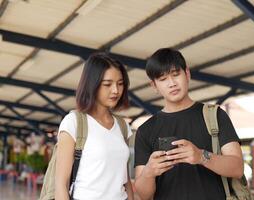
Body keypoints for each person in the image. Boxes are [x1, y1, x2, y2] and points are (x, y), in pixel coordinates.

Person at [134, 48, 244, 200]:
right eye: (163, 79)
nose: (171, 83)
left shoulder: (215, 116)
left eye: (175, 74)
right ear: (154, 86)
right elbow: (143, 195)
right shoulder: (145, 130)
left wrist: (201, 156)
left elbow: (237, 168)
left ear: (187, 74)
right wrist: (149, 172)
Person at [55, 53, 134, 200]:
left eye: (120, 83)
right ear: (92, 84)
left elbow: (125, 179)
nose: (116, 90)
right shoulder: (73, 123)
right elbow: (61, 184)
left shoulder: (122, 126)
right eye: (107, 84)